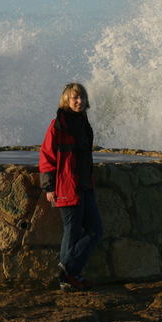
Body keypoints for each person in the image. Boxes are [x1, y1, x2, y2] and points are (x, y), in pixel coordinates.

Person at [39, 82, 104, 291]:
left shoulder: (84, 123)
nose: (79, 101)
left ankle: (66, 270)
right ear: (66, 100)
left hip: (85, 187)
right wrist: (49, 187)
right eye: (75, 98)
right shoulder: (59, 124)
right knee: (72, 230)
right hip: (66, 187)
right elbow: (47, 156)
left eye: (82, 97)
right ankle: (70, 275)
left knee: (95, 230)